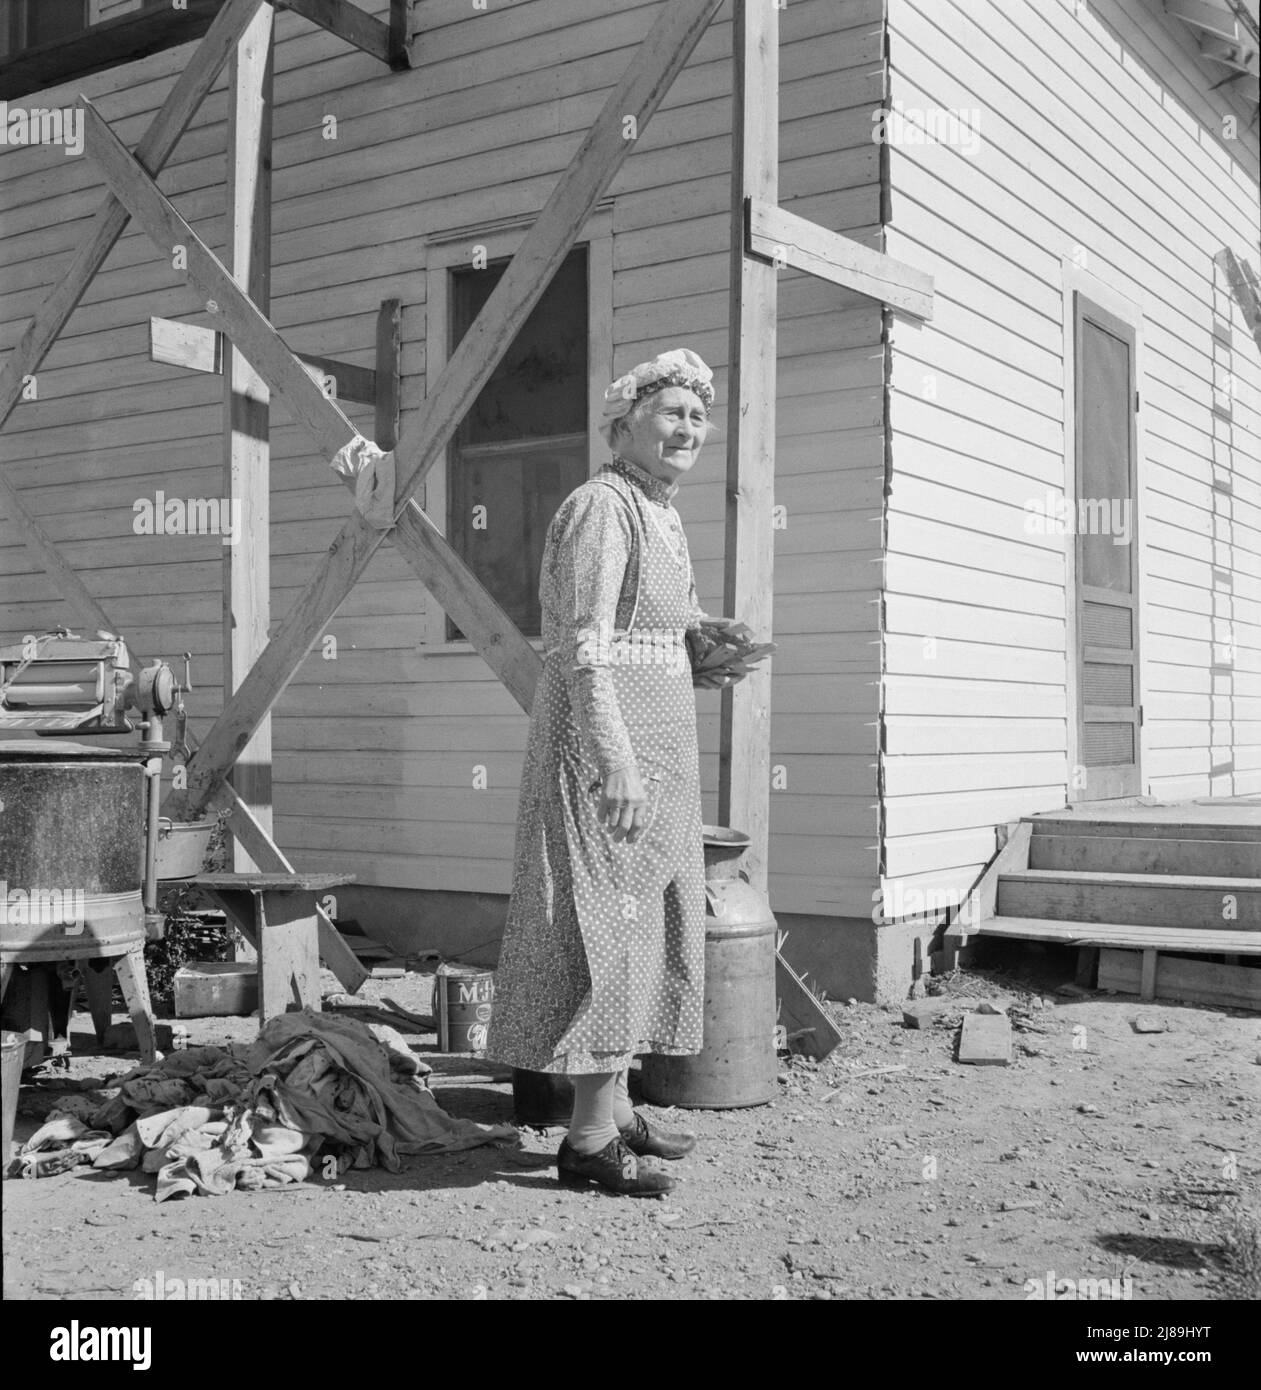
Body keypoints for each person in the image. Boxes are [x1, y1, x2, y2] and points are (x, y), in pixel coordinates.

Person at [485, 348, 736, 1196]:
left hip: (663, 750)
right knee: (605, 928)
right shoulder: (601, 507)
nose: (688, 429)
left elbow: (643, 629)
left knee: (646, 924)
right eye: (671, 413)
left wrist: (699, 645)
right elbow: (584, 645)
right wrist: (614, 760)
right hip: (607, 755)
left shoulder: (659, 511)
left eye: (698, 418)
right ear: (623, 422)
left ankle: (617, 1106)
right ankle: (588, 1144)